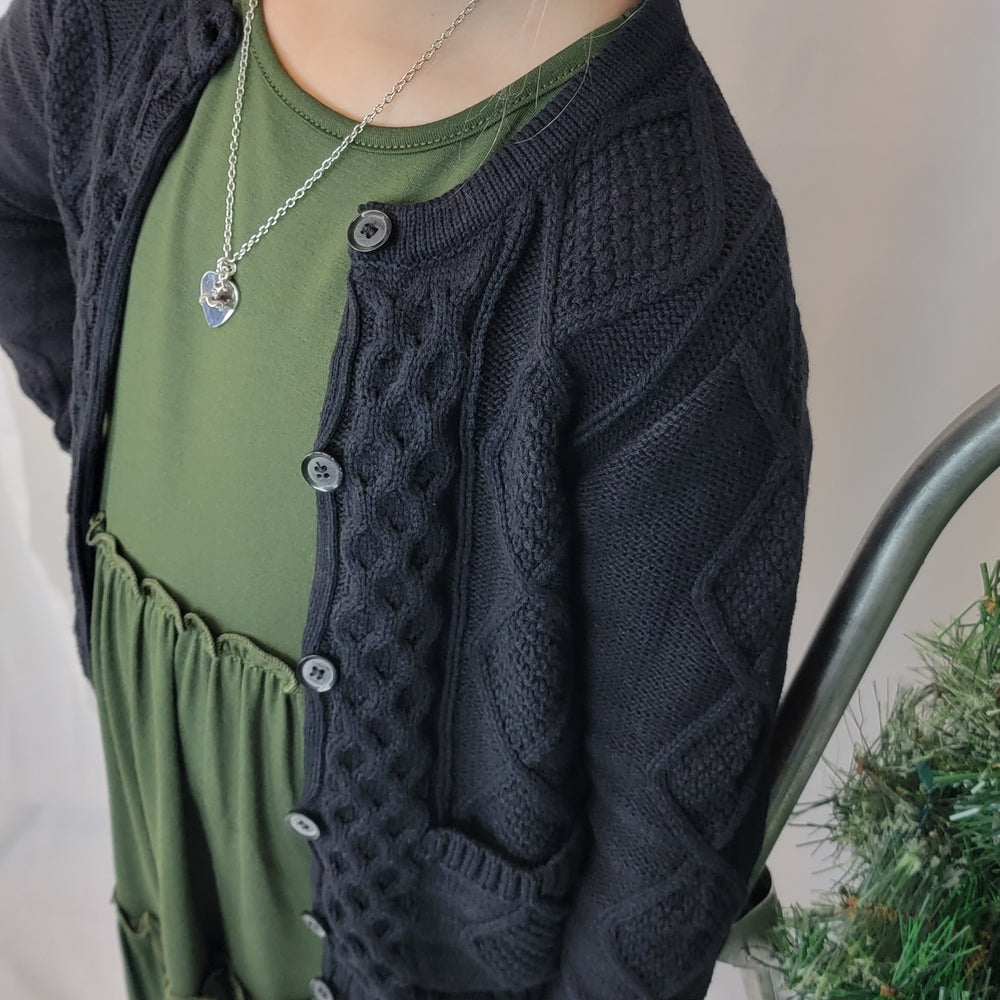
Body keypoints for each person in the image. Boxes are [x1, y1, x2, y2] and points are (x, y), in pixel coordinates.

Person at [0, 0, 812, 997]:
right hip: (172, 819)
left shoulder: (660, 236)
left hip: (413, 949)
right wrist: (111, 422)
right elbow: (13, 196)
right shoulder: (120, 24)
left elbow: (667, 837)